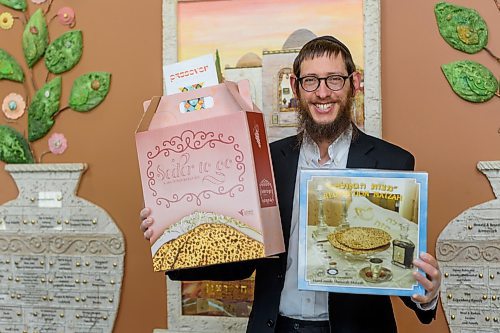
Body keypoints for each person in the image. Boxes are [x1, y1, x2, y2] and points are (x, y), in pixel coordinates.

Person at [140, 36, 441, 333]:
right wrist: (174, 241)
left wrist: (426, 296)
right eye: (310, 81)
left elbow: (396, 268)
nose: (323, 93)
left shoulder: (393, 162)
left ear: (354, 83)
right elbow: (241, 262)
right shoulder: (266, 160)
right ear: (296, 87)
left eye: (334, 80)